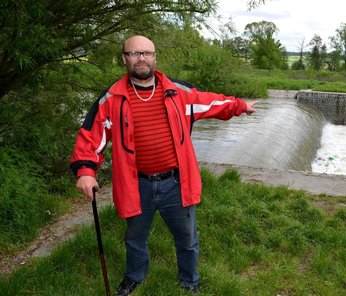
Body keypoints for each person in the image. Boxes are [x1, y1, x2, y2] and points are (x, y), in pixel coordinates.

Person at [70, 35, 258, 295]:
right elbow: (92, 137)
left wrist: (240, 106)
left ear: (155, 57)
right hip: (136, 185)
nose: (141, 58)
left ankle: (189, 281)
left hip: (176, 183)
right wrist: (86, 172)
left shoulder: (179, 92)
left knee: (187, 238)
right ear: (124, 59)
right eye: (134, 53)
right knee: (135, 238)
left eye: (146, 53)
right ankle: (135, 276)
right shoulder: (112, 98)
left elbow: (212, 102)